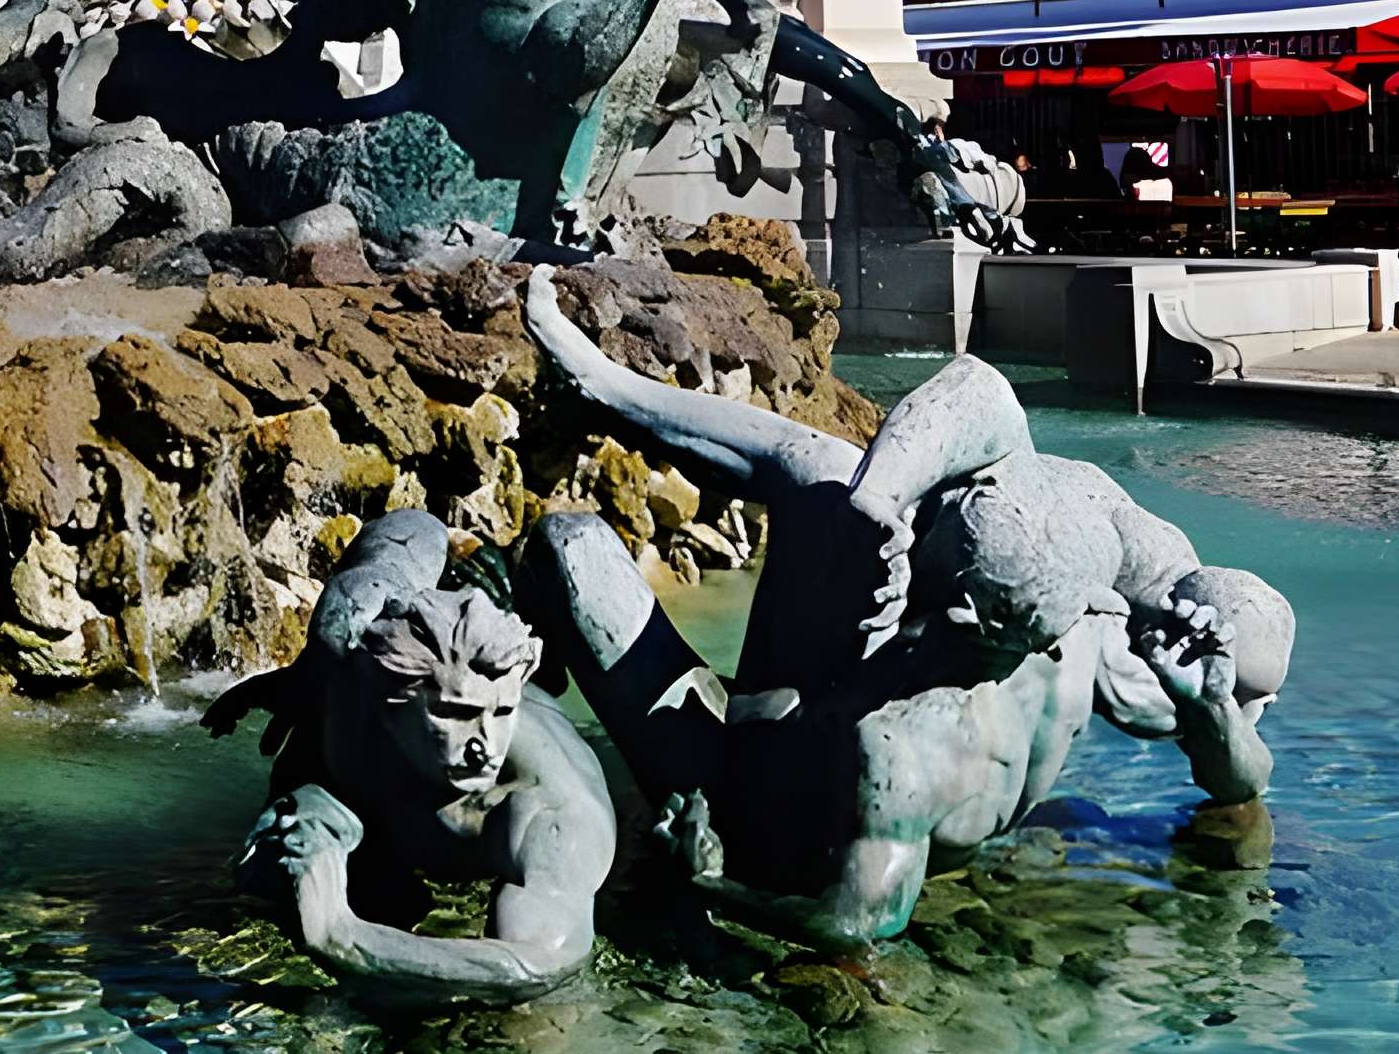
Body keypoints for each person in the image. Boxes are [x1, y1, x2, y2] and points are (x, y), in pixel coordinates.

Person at [518, 268, 1289, 950]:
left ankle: (594, 396)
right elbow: (1242, 783)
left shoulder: (901, 744)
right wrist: (1213, 710)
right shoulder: (1093, 633)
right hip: (905, 801)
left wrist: (709, 882)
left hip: (748, 809)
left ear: (964, 605)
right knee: (827, 481)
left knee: (578, 541)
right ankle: (601, 389)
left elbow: (854, 926)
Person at [212, 513, 615, 1006]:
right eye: (453, 714)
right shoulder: (349, 643)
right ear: (387, 701)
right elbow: (413, 529)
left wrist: (341, 932)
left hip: (459, 830)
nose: (484, 743)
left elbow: (538, 965)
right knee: (267, 890)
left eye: (501, 711)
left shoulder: (554, 813)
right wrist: (296, 682)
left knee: (532, 1028)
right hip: (363, 778)